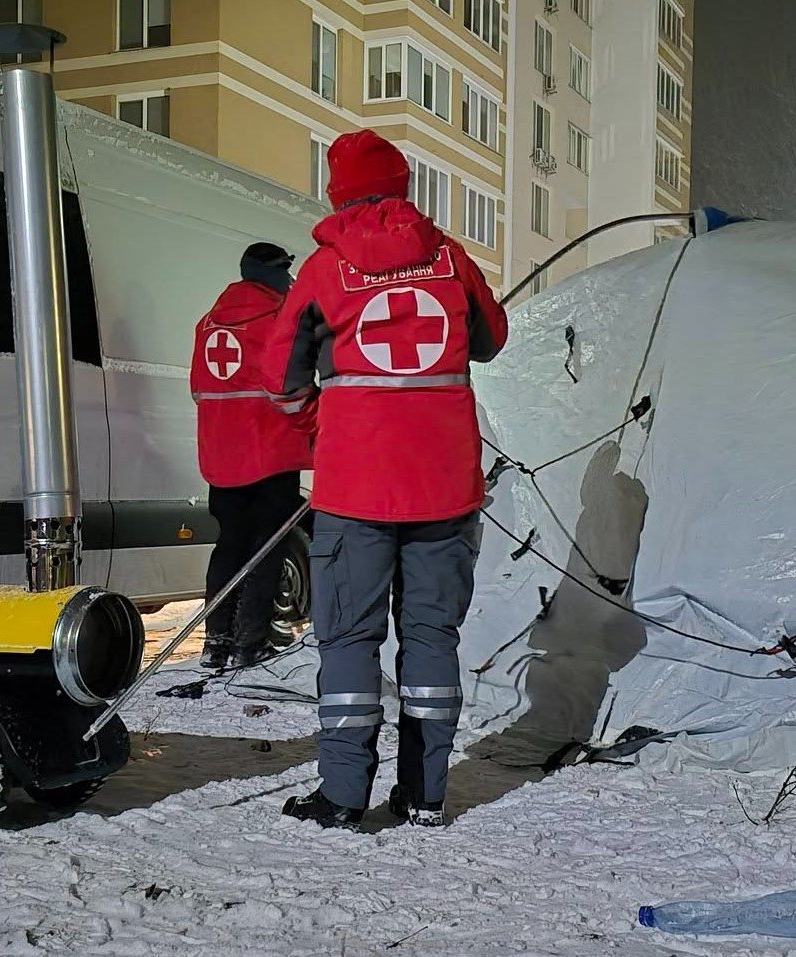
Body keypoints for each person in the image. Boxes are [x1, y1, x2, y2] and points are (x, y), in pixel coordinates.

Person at [268, 131, 508, 829]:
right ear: (403, 188)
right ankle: (426, 794)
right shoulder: (448, 258)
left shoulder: (322, 270)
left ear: (335, 192)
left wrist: (328, 423)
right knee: (432, 637)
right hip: (444, 487)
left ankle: (343, 796)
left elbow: (279, 381)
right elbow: (491, 337)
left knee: (348, 638)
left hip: (354, 491)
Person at [189, 242, 315, 670]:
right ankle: (251, 643)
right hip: (269, 453)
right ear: (270, 274)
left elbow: (198, 390)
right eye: (285, 270)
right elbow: (291, 384)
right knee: (267, 548)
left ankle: (215, 641)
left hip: (221, 459)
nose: (291, 278)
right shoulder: (279, 318)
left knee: (229, 545)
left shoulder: (208, 322)